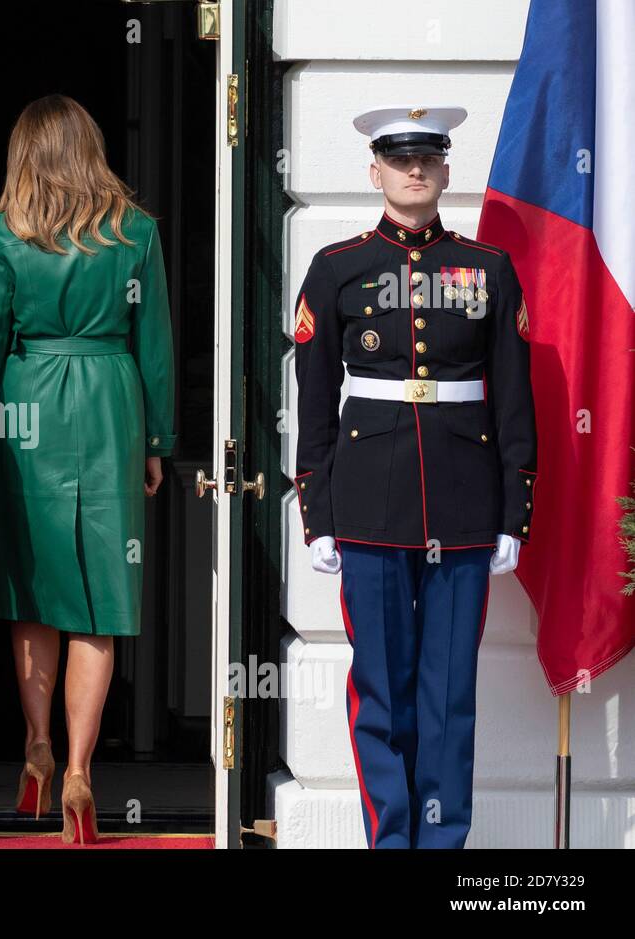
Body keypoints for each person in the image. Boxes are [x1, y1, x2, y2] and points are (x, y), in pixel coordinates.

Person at [293, 105, 537, 848]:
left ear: (445, 170)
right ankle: (391, 837)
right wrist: (317, 505)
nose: (416, 171)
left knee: (449, 695)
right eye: (401, 160)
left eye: (428, 159)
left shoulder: (488, 270)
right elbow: (314, 400)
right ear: (376, 172)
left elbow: (515, 394)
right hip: (370, 503)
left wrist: (514, 508)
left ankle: (444, 841)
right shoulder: (338, 269)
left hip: (464, 504)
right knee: (383, 691)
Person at [0, 94, 176, 845]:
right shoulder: (137, 234)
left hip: (28, 407)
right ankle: (83, 768)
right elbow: (154, 344)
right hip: (112, 404)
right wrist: (156, 440)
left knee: (33, 590)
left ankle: (38, 747)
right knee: (100, 598)